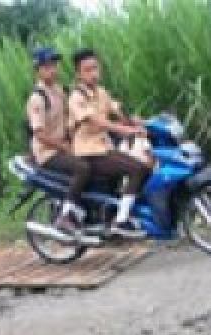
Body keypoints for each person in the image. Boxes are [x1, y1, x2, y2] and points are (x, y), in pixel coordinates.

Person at [68, 48, 150, 239]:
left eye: (95, 68)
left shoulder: (101, 92)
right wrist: (125, 130)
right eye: (87, 70)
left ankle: (116, 213)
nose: (93, 74)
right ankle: (121, 221)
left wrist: (137, 122)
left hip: (104, 147)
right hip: (89, 152)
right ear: (79, 74)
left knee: (141, 164)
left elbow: (116, 110)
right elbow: (96, 121)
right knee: (137, 169)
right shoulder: (76, 97)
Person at [26, 47, 90, 236]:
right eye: (46, 67)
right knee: (82, 168)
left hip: (66, 146)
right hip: (48, 153)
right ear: (38, 70)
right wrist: (63, 146)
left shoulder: (60, 90)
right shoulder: (37, 98)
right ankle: (65, 216)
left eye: (54, 66)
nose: (52, 70)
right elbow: (39, 134)